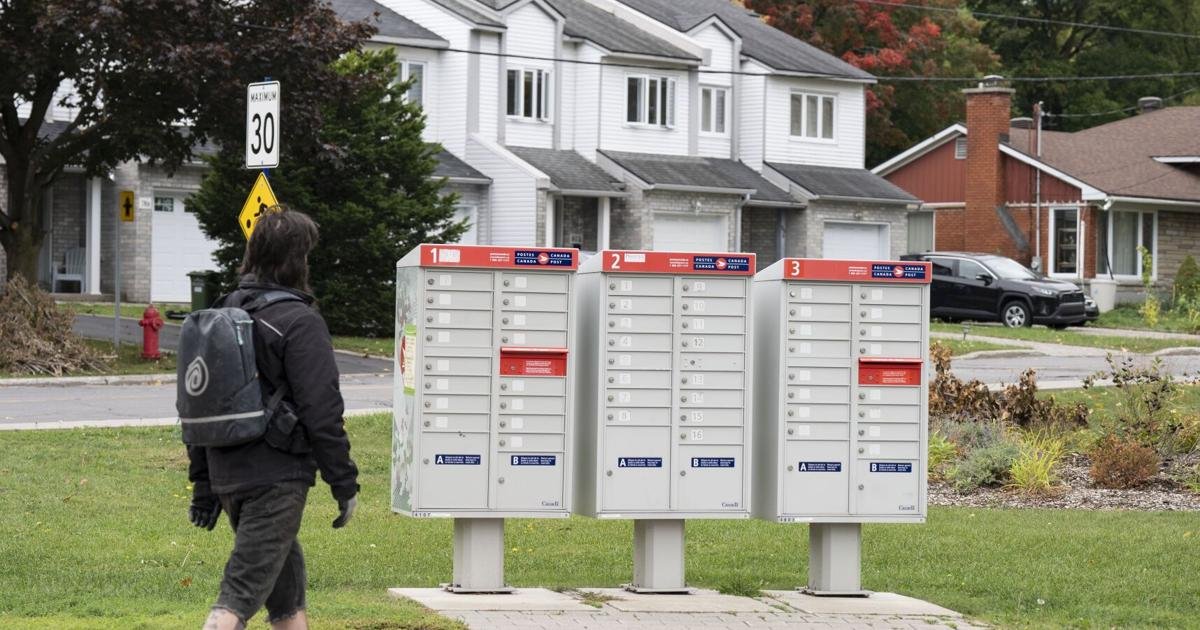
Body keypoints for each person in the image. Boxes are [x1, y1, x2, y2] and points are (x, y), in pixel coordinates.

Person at [186, 207, 359, 630]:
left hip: (229, 473)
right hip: (276, 479)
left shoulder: (222, 312)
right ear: (297, 260)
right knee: (238, 595)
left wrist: (205, 483)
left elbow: (196, 405)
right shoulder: (300, 321)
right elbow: (323, 412)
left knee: (285, 590)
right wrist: (344, 482)